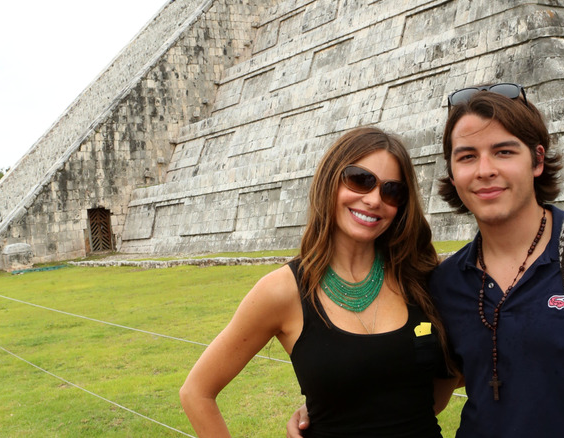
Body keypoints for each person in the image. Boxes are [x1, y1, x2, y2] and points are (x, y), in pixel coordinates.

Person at [288, 84, 564, 437]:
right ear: (453, 174)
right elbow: (428, 391)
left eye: (504, 151)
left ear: (537, 160)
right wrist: (333, 403)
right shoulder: (445, 282)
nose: (485, 170)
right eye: (467, 157)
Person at [180, 126, 457, 437]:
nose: (374, 199)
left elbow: (455, 372)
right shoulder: (282, 291)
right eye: (360, 180)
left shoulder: (421, 276)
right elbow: (197, 392)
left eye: (392, 191)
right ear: (330, 181)